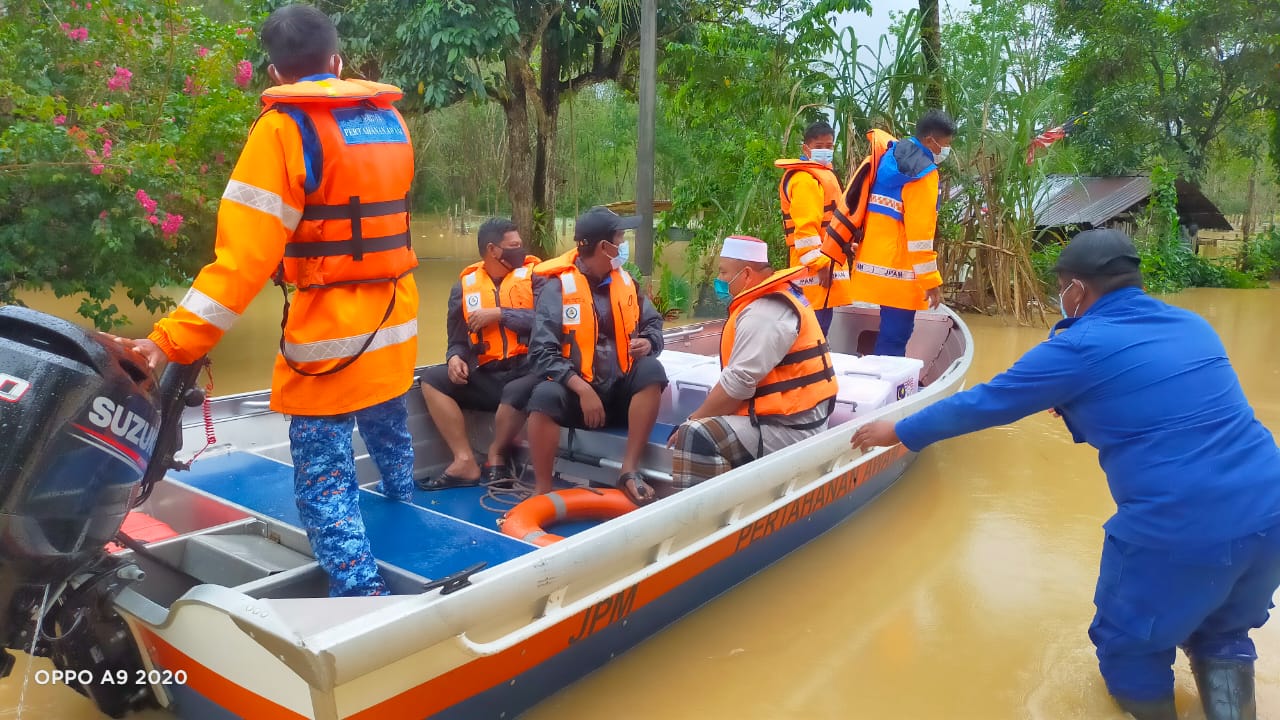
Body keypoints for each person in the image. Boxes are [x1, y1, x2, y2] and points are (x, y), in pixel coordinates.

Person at [851, 229, 1280, 720]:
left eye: (1062, 287)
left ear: (1076, 289)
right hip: (1269, 504)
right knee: (1223, 634)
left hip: (1181, 522)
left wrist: (900, 430)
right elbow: (1161, 400)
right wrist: (1076, 402)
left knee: (1129, 646)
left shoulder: (1079, 348)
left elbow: (985, 403)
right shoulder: (1191, 325)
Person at [117, 5, 420, 598]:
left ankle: (362, 600)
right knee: (391, 430)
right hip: (397, 325)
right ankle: (406, 508)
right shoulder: (389, 120)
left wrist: (166, 343)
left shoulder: (285, 129)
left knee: (325, 484)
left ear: (276, 74)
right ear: (338, 61)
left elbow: (240, 265)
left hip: (331, 344)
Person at [663, 236, 838, 494]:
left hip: (792, 428)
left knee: (695, 434)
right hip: (783, 418)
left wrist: (690, 420)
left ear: (746, 274)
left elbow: (737, 385)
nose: (719, 280)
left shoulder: (765, 312)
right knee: (705, 422)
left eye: (724, 272)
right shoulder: (774, 296)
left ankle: (702, 524)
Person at [526, 206, 667, 504]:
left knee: (652, 370)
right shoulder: (557, 289)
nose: (624, 244)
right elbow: (541, 353)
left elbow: (653, 322)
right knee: (543, 395)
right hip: (578, 401)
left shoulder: (626, 282)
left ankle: (628, 471)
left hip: (620, 394)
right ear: (605, 246)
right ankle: (542, 488)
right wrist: (582, 388)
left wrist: (649, 341)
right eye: (621, 237)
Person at [418, 218, 540, 489]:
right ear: (493, 250)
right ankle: (465, 461)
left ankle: (496, 453)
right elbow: (457, 340)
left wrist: (500, 314)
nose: (520, 250)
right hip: (489, 375)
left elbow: (550, 322)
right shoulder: (464, 287)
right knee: (431, 380)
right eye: (514, 246)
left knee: (516, 390)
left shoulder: (537, 276)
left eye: (520, 245)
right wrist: (455, 358)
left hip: (529, 372)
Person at [847, 109, 954, 356]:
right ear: (930, 141)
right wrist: (931, 281)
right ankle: (888, 392)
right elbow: (920, 235)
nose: (945, 151)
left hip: (872, 265)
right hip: (900, 272)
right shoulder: (924, 174)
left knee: (889, 333)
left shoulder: (889, 157)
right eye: (945, 145)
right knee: (896, 338)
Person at [774, 119, 854, 336]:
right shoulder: (805, 180)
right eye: (819, 147)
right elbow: (805, 232)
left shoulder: (821, 175)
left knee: (819, 328)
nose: (825, 152)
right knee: (813, 331)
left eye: (829, 147)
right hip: (815, 270)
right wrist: (820, 265)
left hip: (826, 265)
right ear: (806, 148)